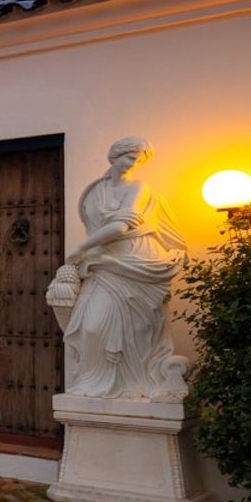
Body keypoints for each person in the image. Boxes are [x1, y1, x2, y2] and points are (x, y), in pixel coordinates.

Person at [63, 137, 187, 398]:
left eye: (139, 160)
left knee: (138, 330)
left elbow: (122, 226)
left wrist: (82, 249)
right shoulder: (95, 191)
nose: (134, 164)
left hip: (135, 259)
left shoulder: (138, 188)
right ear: (115, 156)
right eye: (131, 157)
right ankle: (93, 382)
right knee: (93, 325)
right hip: (104, 264)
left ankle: (137, 385)